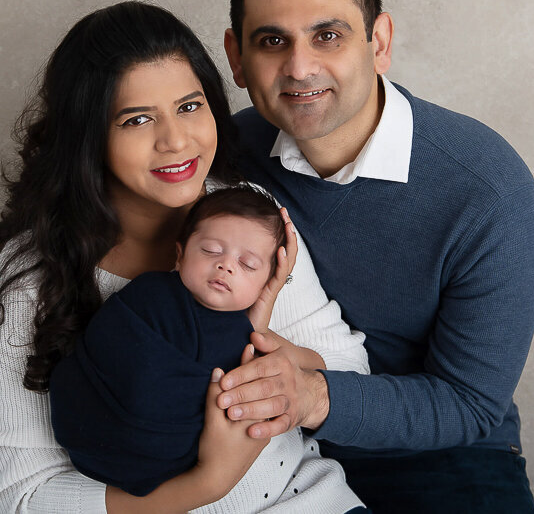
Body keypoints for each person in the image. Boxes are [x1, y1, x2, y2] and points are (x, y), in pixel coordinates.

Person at [0, 1, 369, 513]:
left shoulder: (250, 220)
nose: (176, 141)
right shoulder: (34, 276)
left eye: (189, 106)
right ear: (89, 137)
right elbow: (22, 494)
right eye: (136, 119)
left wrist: (289, 372)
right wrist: (207, 484)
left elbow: (348, 368)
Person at [217, 0, 534, 513]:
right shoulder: (221, 157)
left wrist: (317, 397)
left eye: (328, 35)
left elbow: (470, 405)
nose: (299, 66)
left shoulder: (485, 190)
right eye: (272, 40)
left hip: (438, 456)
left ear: (380, 41)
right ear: (236, 58)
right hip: (269, 449)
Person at [50, 186, 362, 510]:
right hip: (127, 453)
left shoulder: (245, 336)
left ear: (270, 281)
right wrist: (211, 480)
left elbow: (330, 370)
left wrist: (262, 315)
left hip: (310, 495)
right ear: (180, 254)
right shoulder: (147, 295)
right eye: (211, 251)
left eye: (248, 265)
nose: (226, 266)